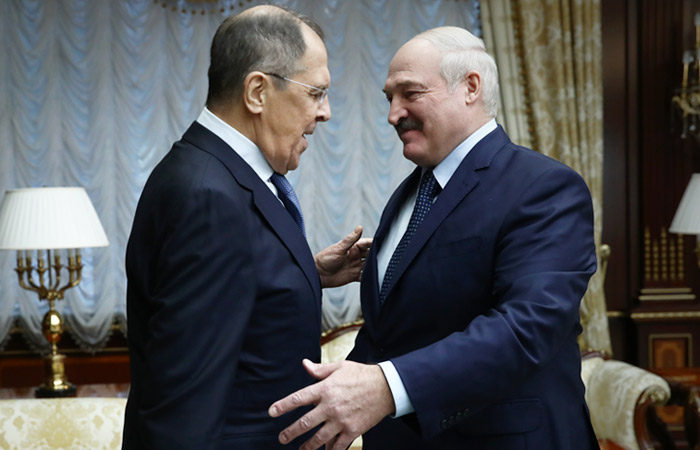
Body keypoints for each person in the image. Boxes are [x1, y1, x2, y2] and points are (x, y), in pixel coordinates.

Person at [269, 26, 599, 450]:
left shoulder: (544, 186)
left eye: (410, 93)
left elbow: (526, 328)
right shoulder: (410, 193)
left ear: (471, 87)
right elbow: (389, 336)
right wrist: (327, 397)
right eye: (389, 98)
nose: (393, 114)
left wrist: (388, 387)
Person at [122, 6, 371, 449]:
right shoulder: (207, 195)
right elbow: (184, 398)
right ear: (257, 92)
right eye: (316, 93)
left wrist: (307, 274)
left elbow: (227, 299)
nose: (326, 112)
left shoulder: (218, 173)